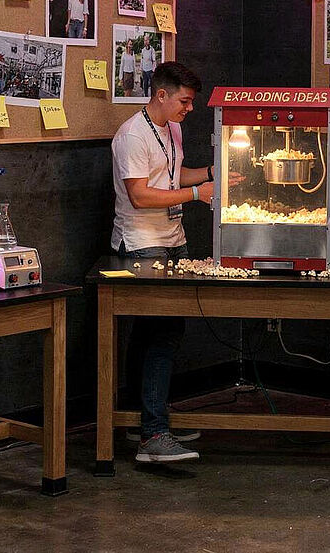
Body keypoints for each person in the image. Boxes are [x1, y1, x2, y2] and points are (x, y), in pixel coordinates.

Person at [111, 62, 216, 463]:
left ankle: (145, 420)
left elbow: (171, 175)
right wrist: (198, 195)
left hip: (173, 239)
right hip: (142, 243)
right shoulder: (132, 135)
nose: (190, 109)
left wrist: (210, 173)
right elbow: (140, 195)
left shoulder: (172, 128)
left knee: (153, 333)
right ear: (161, 95)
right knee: (162, 333)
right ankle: (153, 434)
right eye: (184, 101)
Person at [139, 33, 157, 97]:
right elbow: (142, 60)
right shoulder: (143, 50)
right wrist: (141, 69)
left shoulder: (152, 50)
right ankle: (145, 95)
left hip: (150, 70)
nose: (146, 41)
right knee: (145, 84)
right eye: (144, 40)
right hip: (144, 70)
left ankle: (152, 96)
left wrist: (153, 70)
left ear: (149, 41)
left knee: (152, 85)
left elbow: (154, 61)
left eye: (147, 40)